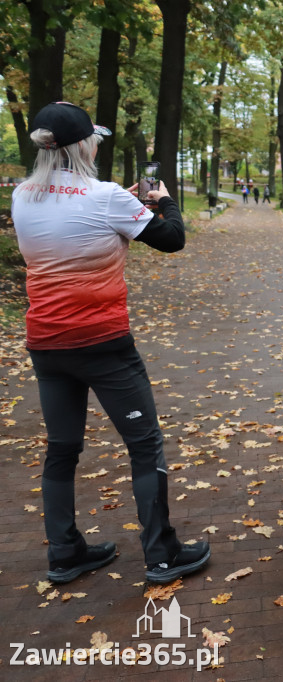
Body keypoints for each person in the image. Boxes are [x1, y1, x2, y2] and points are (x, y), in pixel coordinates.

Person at [11, 102, 210, 585]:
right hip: (103, 344)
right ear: (82, 145)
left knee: (62, 449)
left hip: (47, 345)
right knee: (144, 446)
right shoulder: (104, 197)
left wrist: (123, 199)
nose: (98, 144)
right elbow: (171, 240)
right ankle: (162, 554)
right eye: (95, 138)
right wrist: (165, 200)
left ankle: (64, 553)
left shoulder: (22, 196)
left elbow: (73, 211)